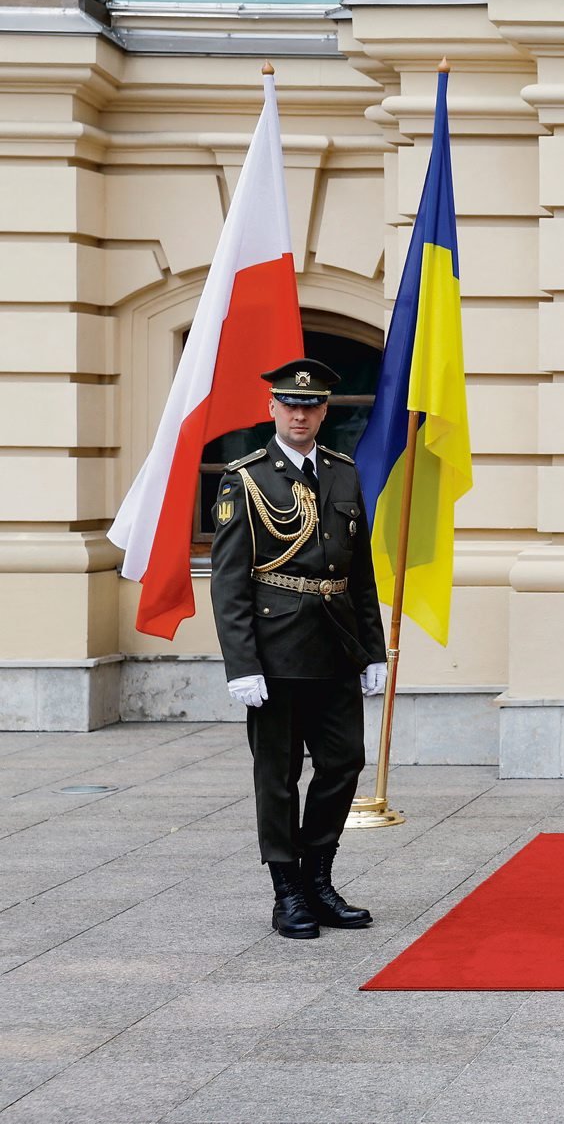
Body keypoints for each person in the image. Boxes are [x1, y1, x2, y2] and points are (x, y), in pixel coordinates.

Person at [210, 359, 387, 939]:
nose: (300, 415)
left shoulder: (342, 473)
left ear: (324, 411)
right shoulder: (245, 478)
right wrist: (242, 664)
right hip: (276, 650)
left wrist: (373, 650)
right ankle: (287, 890)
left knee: (344, 762)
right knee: (278, 775)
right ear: (272, 409)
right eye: (290, 405)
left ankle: (319, 878)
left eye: (310, 406)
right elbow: (229, 582)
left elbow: (360, 574)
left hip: (336, 644)